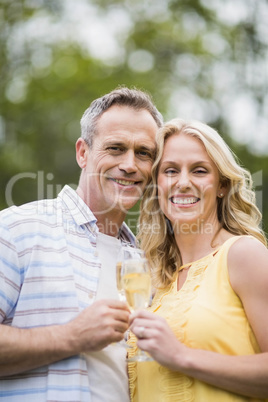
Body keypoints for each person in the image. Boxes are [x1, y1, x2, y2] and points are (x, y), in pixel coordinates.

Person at [0, 86, 163, 401]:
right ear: (83, 152)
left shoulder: (145, 261)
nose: (130, 164)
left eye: (144, 152)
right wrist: (71, 336)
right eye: (115, 148)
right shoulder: (18, 229)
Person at [128, 118, 268, 401]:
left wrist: (181, 356)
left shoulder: (243, 254)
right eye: (170, 171)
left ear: (222, 186)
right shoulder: (155, 281)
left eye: (199, 170)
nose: (183, 183)